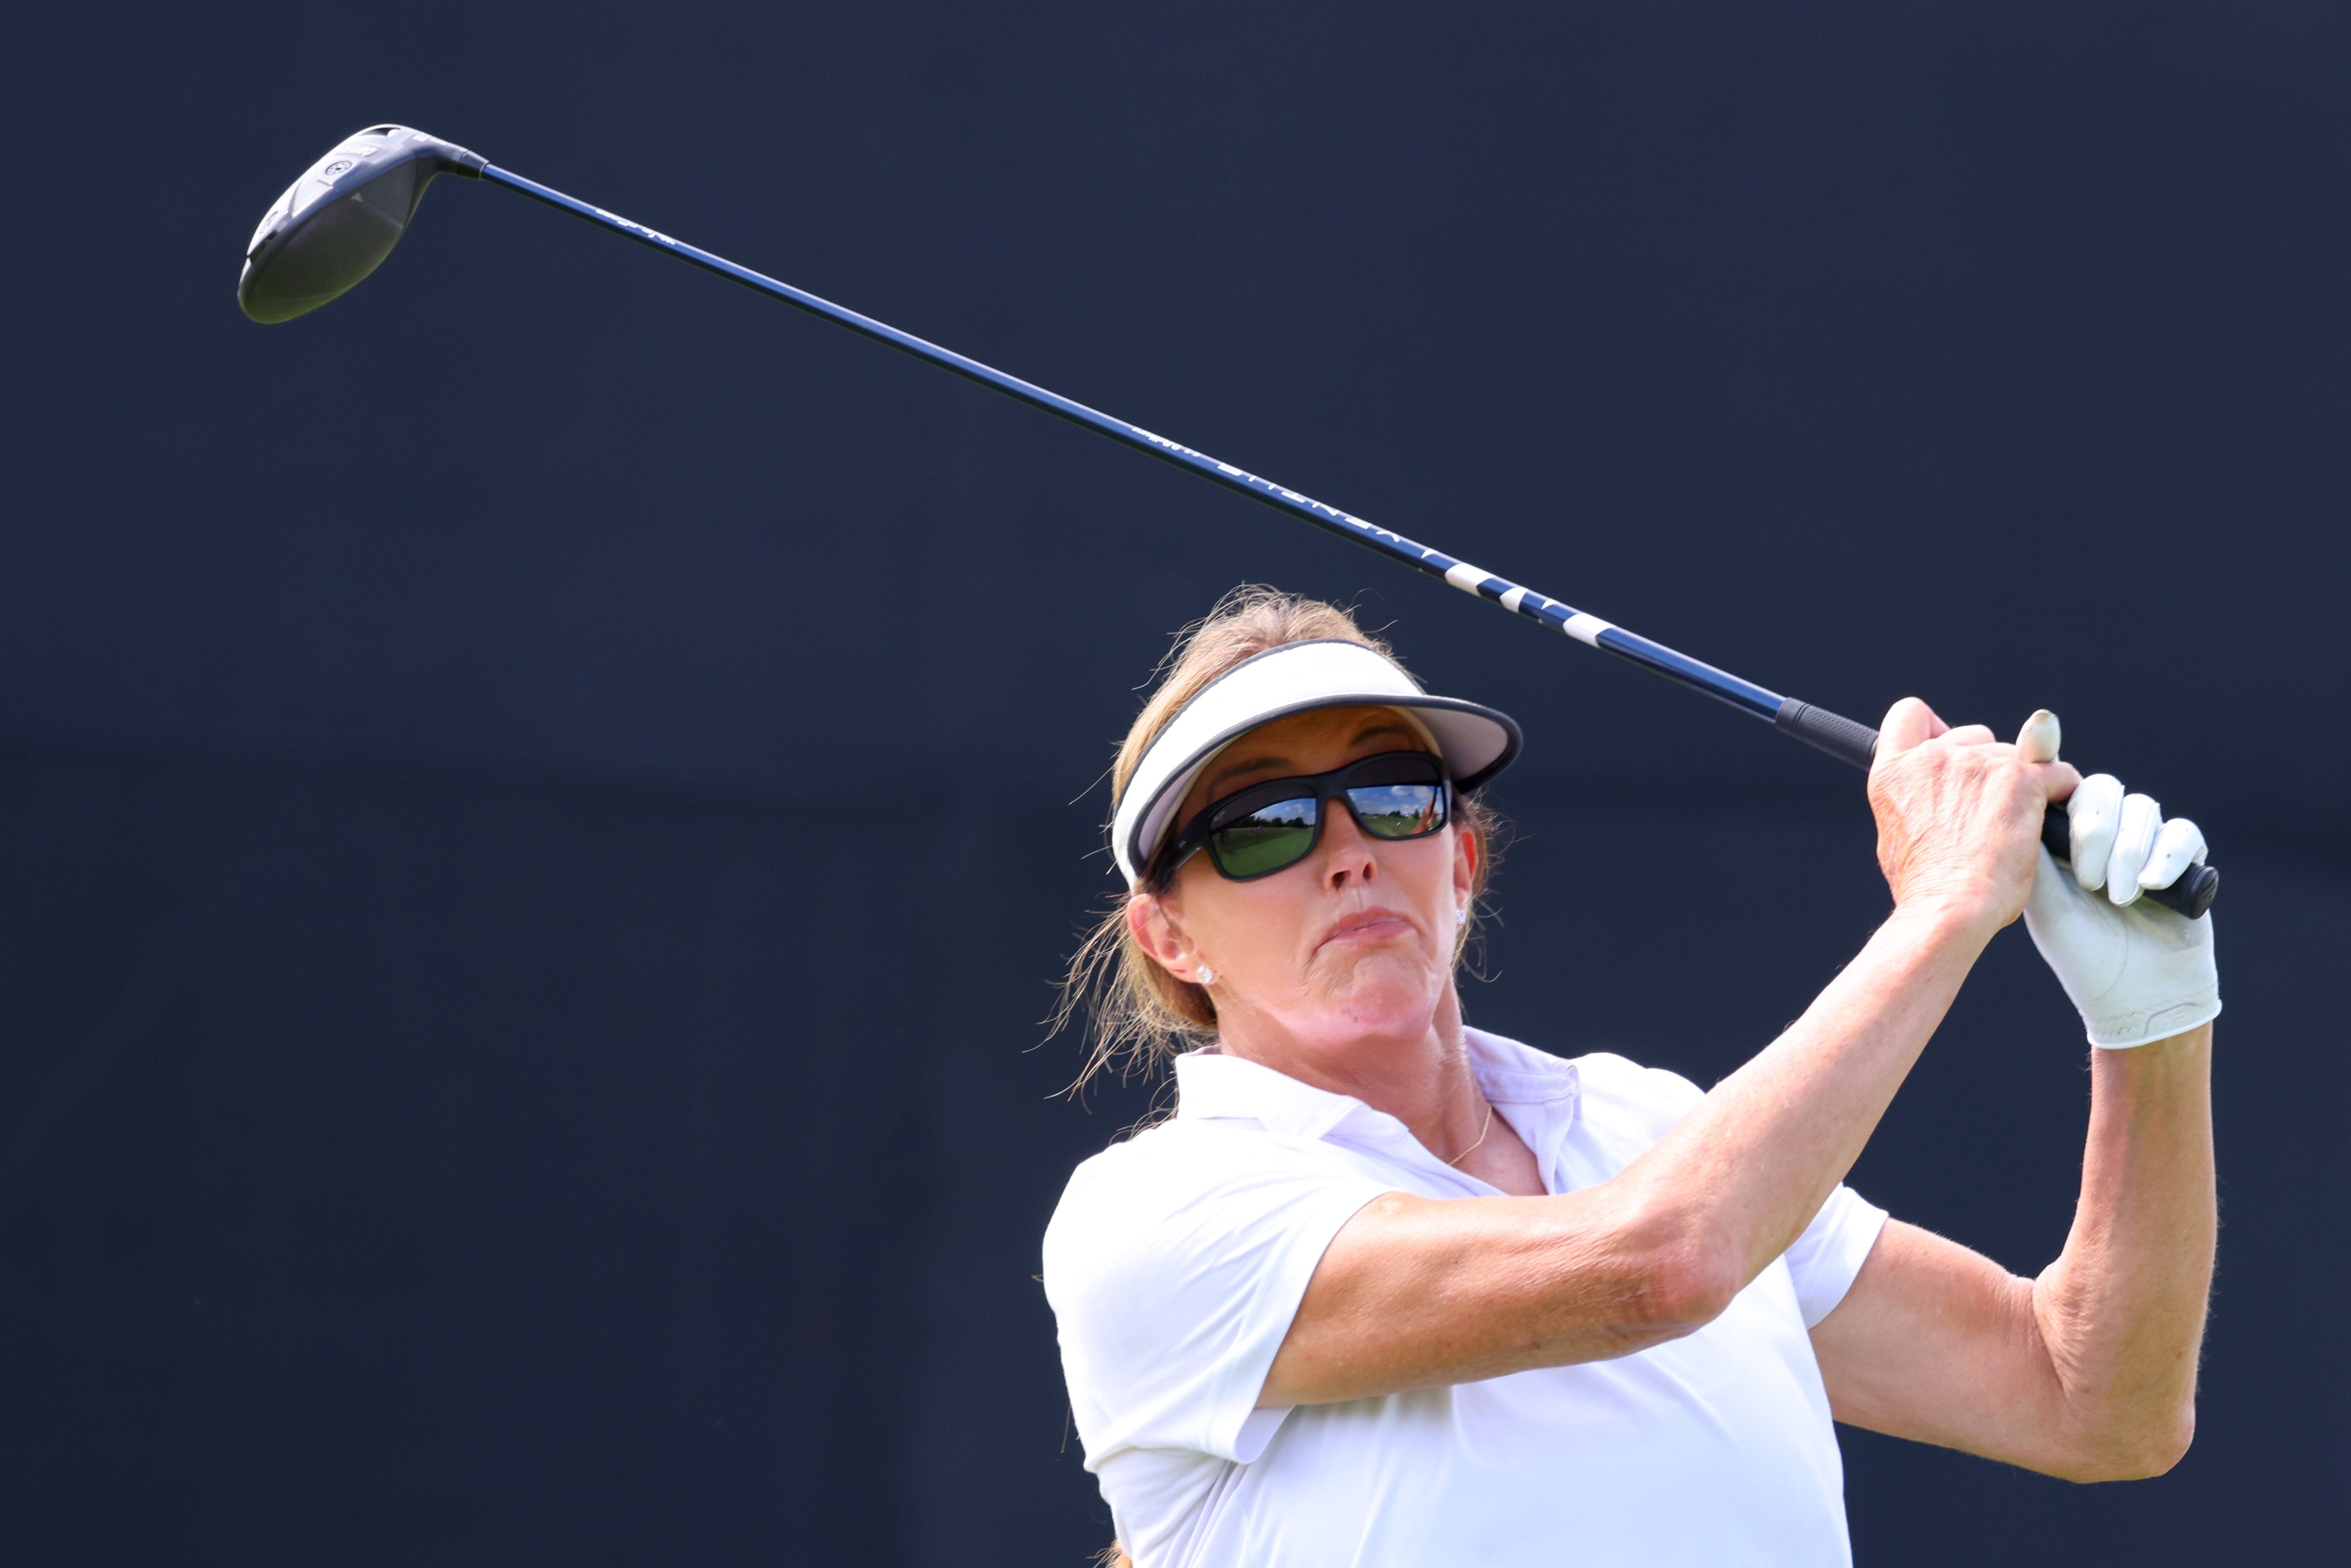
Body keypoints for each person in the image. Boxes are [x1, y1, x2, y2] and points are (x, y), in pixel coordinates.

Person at [1042, 588, 2219, 1568]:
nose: (1348, 855)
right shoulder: (1151, 1217)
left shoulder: (1652, 1126)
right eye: (1262, 825)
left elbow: (2090, 1402)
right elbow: (1660, 1265)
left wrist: (2153, 1023)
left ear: (1460, 859)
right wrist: (1949, 904)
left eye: (1394, 797)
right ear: (1169, 938)